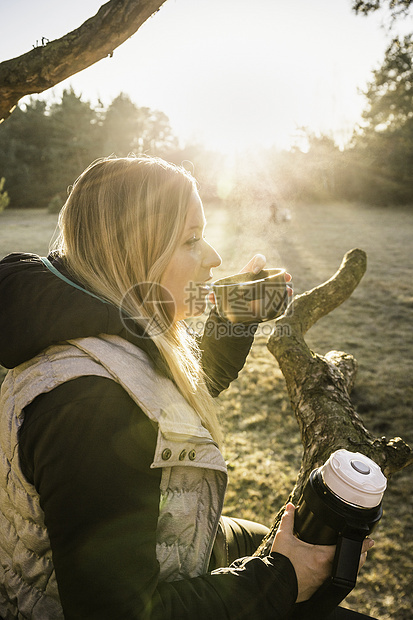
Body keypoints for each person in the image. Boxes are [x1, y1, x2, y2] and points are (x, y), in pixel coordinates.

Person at [0, 156, 374, 620]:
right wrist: (282, 579)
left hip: (162, 551)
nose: (214, 256)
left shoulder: (95, 318)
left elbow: (162, 396)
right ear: (133, 254)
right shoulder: (89, 407)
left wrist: (231, 315)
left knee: (258, 534)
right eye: (191, 240)